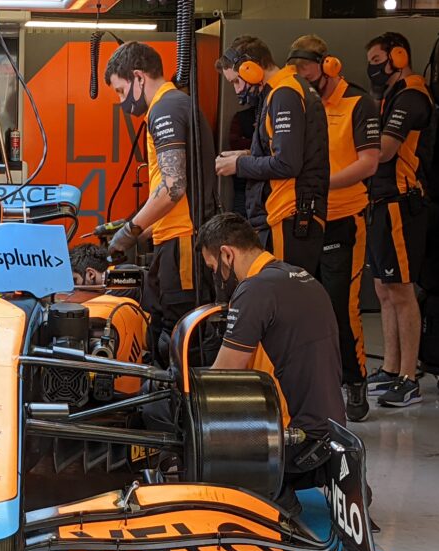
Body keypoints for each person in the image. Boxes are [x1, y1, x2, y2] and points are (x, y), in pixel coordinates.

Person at [198, 213, 344, 516]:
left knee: (203, 432)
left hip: (294, 444)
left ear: (227, 254)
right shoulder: (301, 276)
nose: (218, 278)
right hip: (332, 439)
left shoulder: (254, 290)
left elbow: (223, 378)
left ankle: (273, 495)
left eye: (214, 268)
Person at [103, 41, 216, 363]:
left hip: (184, 242)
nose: (121, 101)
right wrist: (139, 229)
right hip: (176, 237)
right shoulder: (176, 104)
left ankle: (181, 396)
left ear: (139, 77)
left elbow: (173, 187)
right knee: (162, 324)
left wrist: (130, 230)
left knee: (181, 336)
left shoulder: (165, 109)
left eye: (121, 90)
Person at [287, 35, 381, 422]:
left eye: (307, 71)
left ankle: (355, 381)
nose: (303, 79)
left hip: (345, 219)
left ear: (328, 66)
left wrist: (320, 183)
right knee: (302, 309)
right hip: (305, 219)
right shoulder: (301, 103)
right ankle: (312, 386)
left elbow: (369, 162)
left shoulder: (359, 103)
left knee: (340, 306)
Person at [215, 36, 330, 273]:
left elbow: (287, 163)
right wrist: (249, 153)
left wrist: (240, 164)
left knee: (283, 291)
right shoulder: (284, 90)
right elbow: (289, 150)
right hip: (288, 216)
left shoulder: (284, 94)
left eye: (236, 81)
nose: (237, 90)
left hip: (287, 216)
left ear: (252, 68)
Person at [363, 32, 435, 407]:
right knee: (383, 290)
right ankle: (391, 369)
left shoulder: (412, 97)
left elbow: (387, 150)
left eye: (378, 59)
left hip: (401, 204)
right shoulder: (391, 96)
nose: (373, 67)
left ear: (399, 56)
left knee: (402, 292)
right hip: (380, 201)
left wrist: (353, 145)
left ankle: (409, 377)